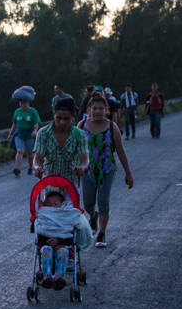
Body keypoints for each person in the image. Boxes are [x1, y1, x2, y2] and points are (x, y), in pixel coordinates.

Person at [78, 95, 134, 248]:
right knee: (88, 202)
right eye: (94, 108)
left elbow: (121, 151)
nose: (97, 111)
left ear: (106, 110)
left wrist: (128, 173)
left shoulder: (112, 127)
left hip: (107, 169)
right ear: (89, 110)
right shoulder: (81, 125)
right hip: (87, 170)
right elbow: (75, 149)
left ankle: (102, 232)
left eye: (101, 108)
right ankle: (93, 215)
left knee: (103, 200)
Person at [34, 190, 92, 289]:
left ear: (62, 205)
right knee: (46, 250)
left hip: (62, 246)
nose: (52, 206)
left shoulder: (66, 215)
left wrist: (58, 242)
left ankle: (58, 277)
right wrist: (48, 242)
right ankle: (47, 276)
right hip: (46, 245)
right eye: (49, 204)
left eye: (55, 204)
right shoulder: (43, 216)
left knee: (63, 252)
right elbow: (41, 232)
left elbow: (69, 236)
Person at [33, 97, 90, 188]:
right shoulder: (43, 133)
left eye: (66, 118)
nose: (62, 122)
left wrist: (82, 167)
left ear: (72, 116)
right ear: (53, 114)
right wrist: (37, 167)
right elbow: (38, 158)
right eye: (58, 118)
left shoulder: (79, 135)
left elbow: (85, 159)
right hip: (49, 183)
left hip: (70, 184)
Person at [6, 98, 41, 177]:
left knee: (30, 153)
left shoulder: (33, 111)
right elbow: (14, 124)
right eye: (21, 103)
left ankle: (30, 167)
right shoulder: (17, 112)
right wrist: (10, 134)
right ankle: (17, 168)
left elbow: (36, 123)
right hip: (19, 134)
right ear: (19, 103)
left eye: (25, 102)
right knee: (20, 151)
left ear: (28, 103)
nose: (23, 104)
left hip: (29, 135)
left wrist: (35, 130)